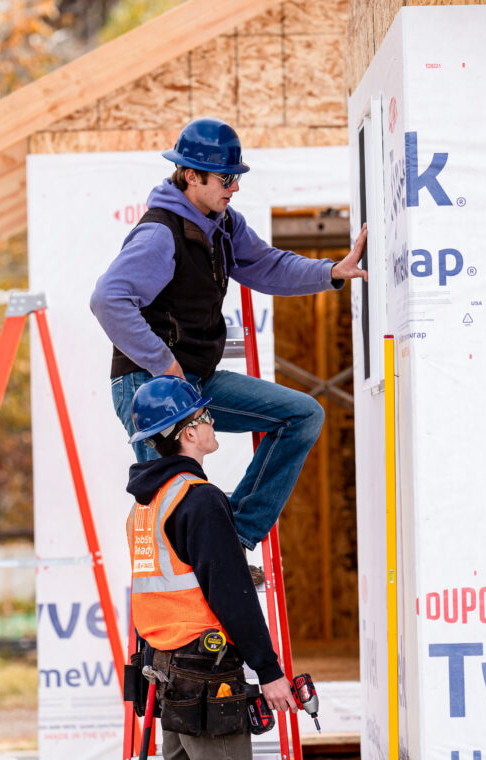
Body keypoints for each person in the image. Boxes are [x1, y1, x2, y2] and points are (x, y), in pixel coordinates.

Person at [91, 116, 368, 551]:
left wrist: (331, 271)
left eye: (236, 178)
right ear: (191, 176)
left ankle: (233, 536)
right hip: (150, 386)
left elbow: (267, 266)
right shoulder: (161, 234)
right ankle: (192, 579)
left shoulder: (223, 224)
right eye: (225, 178)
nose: (234, 187)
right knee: (173, 506)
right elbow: (107, 300)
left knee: (301, 416)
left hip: (194, 381)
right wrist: (164, 364)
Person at [125, 375, 299, 760]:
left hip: (167, 671)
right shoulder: (200, 499)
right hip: (204, 671)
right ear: (188, 433)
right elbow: (231, 594)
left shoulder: (146, 505)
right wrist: (269, 671)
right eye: (204, 416)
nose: (212, 421)